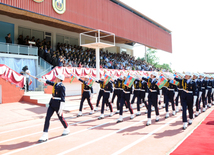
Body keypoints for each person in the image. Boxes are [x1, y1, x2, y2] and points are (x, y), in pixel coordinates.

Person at [36, 74, 70, 143]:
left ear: (60, 79)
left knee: (61, 118)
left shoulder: (62, 87)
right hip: (52, 103)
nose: (55, 78)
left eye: (57, 78)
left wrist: (61, 108)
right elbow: (48, 82)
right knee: (47, 118)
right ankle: (45, 134)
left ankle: (66, 128)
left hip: (58, 104)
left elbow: (63, 98)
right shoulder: (55, 84)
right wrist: (42, 80)